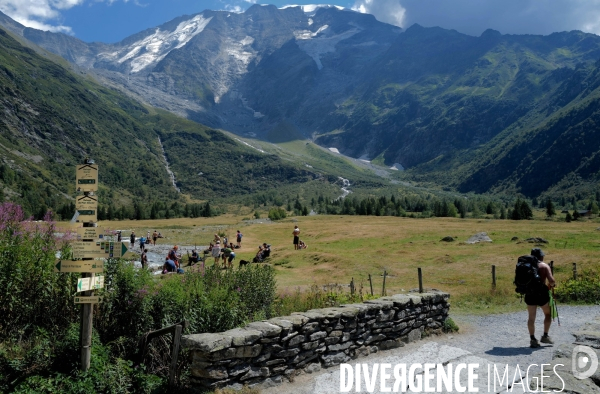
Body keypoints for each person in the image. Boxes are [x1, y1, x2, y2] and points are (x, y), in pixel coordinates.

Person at [526, 248, 557, 348]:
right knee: (548, 314)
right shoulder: (544, 266)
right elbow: (551, 281)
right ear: (541, 256)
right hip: (541, 293)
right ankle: (545, 336)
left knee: (531, 317)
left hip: (529, 293)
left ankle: (532, 339)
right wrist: (552, 285)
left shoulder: (527, 266)